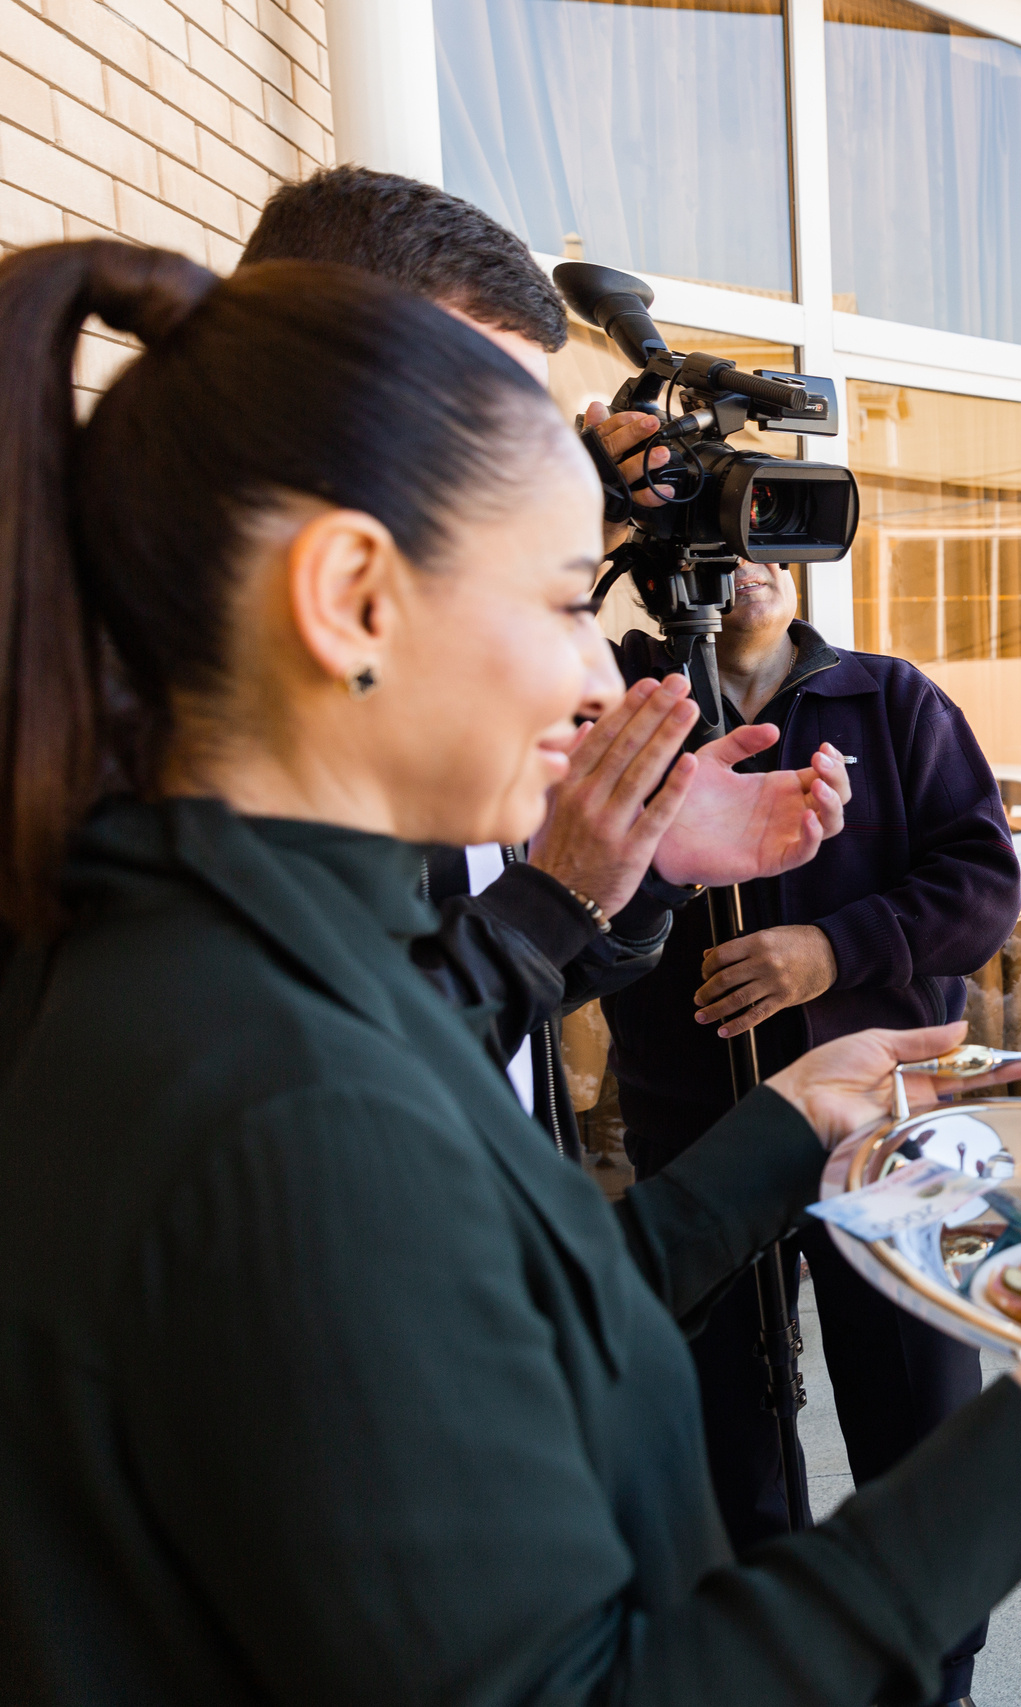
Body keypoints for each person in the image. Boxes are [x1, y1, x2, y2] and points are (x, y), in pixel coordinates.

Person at [0, 239, 1021, 1704]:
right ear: (350, 594)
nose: (599, 678)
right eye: (552, 600)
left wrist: (793, 1110)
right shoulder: (285, 1094)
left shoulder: (242, 955)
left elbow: (517, 1305)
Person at [238, 164, 854, 1155]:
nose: (590, 680)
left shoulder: (437, 676)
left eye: (531, 442)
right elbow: (338, 1117)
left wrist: (629, 873)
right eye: (475, 435)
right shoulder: (203, 774)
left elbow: (525, 993)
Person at [602, 555, 1020, 1700]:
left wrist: (833, 950)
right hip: (698, 1138)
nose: (755, 566)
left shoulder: (891, 700)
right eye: (726, 537)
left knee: (923, 1423)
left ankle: (936, 1673)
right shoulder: (622, 699)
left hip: (881, 1131)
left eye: (775, 535)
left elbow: (984, 887)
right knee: (725, 1436)